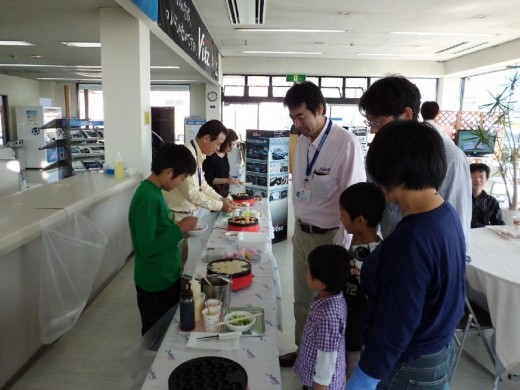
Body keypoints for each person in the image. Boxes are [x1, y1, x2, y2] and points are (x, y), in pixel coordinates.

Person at [346, 120, 466, 389]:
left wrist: (363, 378)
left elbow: (396, 324)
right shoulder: (446, 215)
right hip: (437, 351)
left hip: (407, 365)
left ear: (393, 176)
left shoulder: (413, 238)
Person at [279, 81, 366, 367]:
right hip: (303, 234)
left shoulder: (345, 143)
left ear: (320, 109)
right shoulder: (302, 140)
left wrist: (342, 248)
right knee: (302, 298)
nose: (297, 123)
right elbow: (299, 187)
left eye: (301, 116)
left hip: (330, 238)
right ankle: (303, 350)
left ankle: (323, 365)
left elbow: (352, 199)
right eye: (292, 118)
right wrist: (296, 228)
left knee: (326, 303)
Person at [359, 75, 472, 259]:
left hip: (427, 264)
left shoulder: (450, 158)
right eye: (370, 122)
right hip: (390, 257)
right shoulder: (379, 154)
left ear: (407, 115)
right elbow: (375, 208)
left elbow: (458, 233)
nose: (372, 130)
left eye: (377, 122)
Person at [128, 143, 198, 335]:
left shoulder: (155, 193)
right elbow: (145, 247)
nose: (179, 184)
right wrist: (179, 228)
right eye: (181, 179)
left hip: (166, 275)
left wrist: (177, 230)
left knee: (168, 329)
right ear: (168, 172)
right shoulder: (147, 198)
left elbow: (160, 231)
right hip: (154, 282)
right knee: (155, 334)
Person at [163, 120, 237, 268]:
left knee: (183, 258)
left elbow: (202, 184)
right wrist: (219, 205)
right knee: (173, 260)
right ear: (207, 138)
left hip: (187, 213)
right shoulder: (187, 154)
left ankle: (180, 286)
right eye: (217, 143)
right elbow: (193, 194)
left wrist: (221, 198)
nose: (218, 148)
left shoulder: (198, 154)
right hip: (175, 215)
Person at [339, 182, 385, 379]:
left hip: (357, 331)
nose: (340, 218)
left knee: (352, 372)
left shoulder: (368, 253)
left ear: (360, 220)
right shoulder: (359, 240)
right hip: (349, 323)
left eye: (342, 214)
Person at [294, 244, 349, 390]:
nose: (306, 271)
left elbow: (326, 359)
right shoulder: (333, 297)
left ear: (318, 283)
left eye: (308, 270)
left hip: (322, 385)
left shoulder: (327, 317)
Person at [202, 128, 241, 197]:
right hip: (213, 195)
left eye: (234, 145)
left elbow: (223, 174)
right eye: (230, 145)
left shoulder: (224, 154)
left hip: (224, 194)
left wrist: (232, 180)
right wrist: (227, 180)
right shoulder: (210, 156)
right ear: (224, 142)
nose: (232, 148)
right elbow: (209, 179)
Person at [470, 163, 505, 228]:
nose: (477, 180)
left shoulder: (492, 201)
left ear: (486, 179)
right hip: (463, 235)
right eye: (473, 177)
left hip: (484, 235)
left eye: (481, 177)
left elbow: (498, 224)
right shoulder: (461, 199)